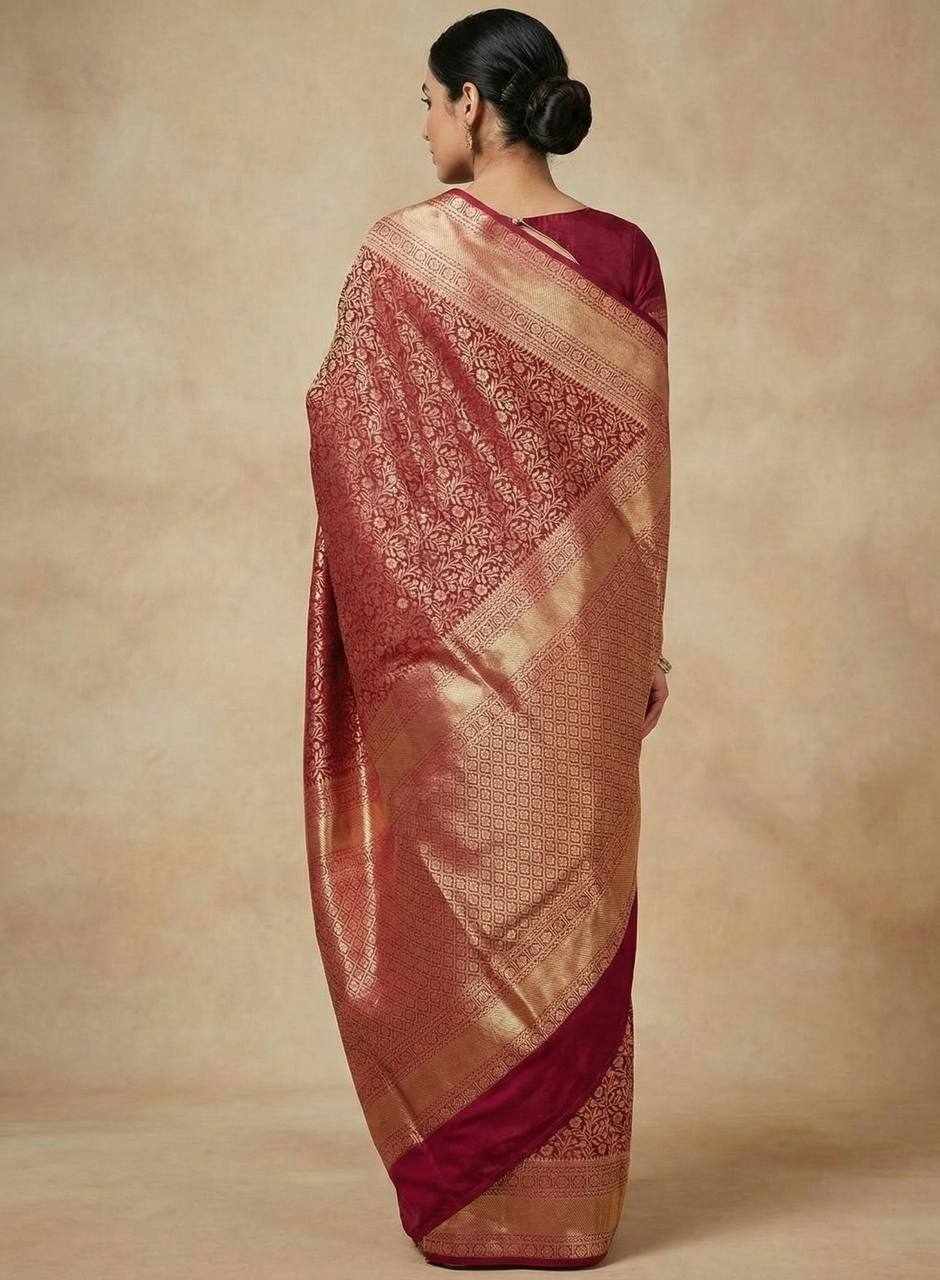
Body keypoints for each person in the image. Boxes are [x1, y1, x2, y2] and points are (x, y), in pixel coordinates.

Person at [302, 8, 671, 1269]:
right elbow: (643, 483)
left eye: (426, 100)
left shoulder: (402, 254)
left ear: (472, 102)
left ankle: (485, 1202)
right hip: (584, 652)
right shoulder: (624, 254)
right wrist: (644, 641)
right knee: (567, 901)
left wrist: (428, 590)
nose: (421, 126)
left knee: (489, 915)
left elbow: (345, 432)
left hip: (448, 661)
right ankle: (559, 1210)